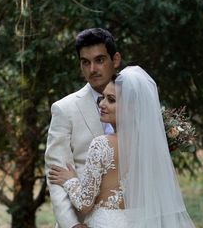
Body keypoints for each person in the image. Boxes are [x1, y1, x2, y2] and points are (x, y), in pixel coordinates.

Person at [48, 66, 195, 228]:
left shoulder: (101, 145)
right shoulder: (149, 146)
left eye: (111, 100)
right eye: (102, 98)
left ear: (130, 107)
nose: (102, 104)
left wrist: (70, 180)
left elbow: (84, 203)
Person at [45, 28, 121, 228]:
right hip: (83, 220)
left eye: (100, 60)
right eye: (85, 62)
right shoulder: (64, 109)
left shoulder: (138, 105)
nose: (92, 69)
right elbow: (55, 172)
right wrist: (71, 225)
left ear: (115, 60)